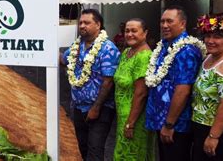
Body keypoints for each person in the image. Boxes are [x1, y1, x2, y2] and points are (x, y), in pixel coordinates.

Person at [145, 5, 205, 161]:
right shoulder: (164, 46)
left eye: (169, 21)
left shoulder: (187, 51)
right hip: (161, 120)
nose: (164, 25)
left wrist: (170, 124)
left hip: (176, 125)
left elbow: (183, 90)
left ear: (182, 24)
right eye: (162, 21)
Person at [61, 9, 120, 160]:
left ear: (98, 25)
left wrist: (96, 108)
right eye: (80, 22)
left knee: (95, 149)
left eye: (86, 22)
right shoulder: (77, 46)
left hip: (99, 109)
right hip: (78, 107)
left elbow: (108, 81)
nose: (82, 26)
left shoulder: (107, 48)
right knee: (83, 146)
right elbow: (64, 60)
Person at [191, 14, 223, 161]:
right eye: (207, 36)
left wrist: (213, 136)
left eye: (217, 37)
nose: (210, 41)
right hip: (202, 128)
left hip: (221, 133)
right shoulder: (210, 58)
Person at [113, 18, 155, 160]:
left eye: (134, 31)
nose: (129, 34)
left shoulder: (144, 57)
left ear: (145, 33)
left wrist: (130, 123)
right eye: (127, 31)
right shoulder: (127, 53)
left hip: (135, 118)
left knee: (131, 155)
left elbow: (141, 93)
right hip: (122, 116)